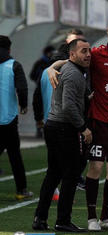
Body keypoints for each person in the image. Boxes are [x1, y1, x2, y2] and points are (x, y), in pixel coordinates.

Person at [46, 22, 108, 231]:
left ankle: (106, 218)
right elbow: (70, 59)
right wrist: (51, 67)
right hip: (100, 122)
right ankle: (91, 218)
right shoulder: (95, 55)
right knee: (95, 167)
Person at [32, 38, 92, 233]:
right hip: (64, 128)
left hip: (53, 125)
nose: (88, 54)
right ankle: (63, 221)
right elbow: (68, 106)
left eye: (89, 50)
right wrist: (83, 128)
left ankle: (40, 219)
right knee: (71, 175)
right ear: (72, 54)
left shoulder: (69, 68)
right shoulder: (73, 74)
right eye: (83, 51)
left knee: (53, 174)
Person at [0, 35, 33, 200]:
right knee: (14, 156)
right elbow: (22, 87)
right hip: (8, 119)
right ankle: (22, 189)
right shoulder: (13, 65)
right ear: (9, 49)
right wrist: (24, 104)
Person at [31, 45, 54, 138]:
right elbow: (32, 75)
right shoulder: (40, 63)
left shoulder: (51, 62)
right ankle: (39, 129)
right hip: (42, 86)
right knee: (40, 106)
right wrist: (39, 80)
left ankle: (44, 128)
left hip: (47, 87)